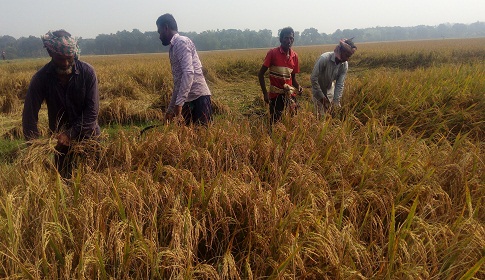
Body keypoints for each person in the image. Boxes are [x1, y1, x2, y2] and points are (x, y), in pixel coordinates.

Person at [22, 30, 100, 178]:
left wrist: (70, 134)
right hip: (59, 144)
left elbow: (92, 112)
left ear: (75, 54)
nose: (65, 63)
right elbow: (29, 115)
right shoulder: (41, 78)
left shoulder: (87, 73)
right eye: (60, 58)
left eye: (69, 58)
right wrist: (35, 145)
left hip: (88, 138)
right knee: (64, 181)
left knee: (93, 181)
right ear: (51, 54)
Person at [156, 13, 212, 125]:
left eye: (159, 31)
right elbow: (178, 84)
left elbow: (188, 72)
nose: (159, 36)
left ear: (166, 28)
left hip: (198, 99)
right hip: (187, 100)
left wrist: (179, 104)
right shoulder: (173, 47)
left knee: (202, 139)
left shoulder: (181, 42)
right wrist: (170, 110)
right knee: (188, 139)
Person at [258, 27, 302, 125]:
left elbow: (293, 79)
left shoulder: (295, 56)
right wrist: (265, 93)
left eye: (291, 38)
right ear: (281, 39)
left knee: (293, 121)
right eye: (286, 38)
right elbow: (260, 74)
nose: (289, 41)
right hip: (276, 95)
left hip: (289, 94)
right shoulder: (272, 53)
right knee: (275, 122)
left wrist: (298, 87)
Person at [310, 38, 357, 118]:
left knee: (331, 114)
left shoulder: (344, 64)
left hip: (329, 88)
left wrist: (336, 101)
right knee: (321, 117)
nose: (347, 59)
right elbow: (313, 78)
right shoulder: (324, 58)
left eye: (349, 56)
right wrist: (321, 97)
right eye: (346, 55)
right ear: (340, 51)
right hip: (318, 90)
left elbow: (340, 84)